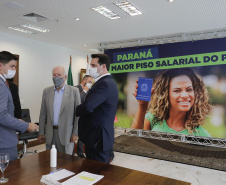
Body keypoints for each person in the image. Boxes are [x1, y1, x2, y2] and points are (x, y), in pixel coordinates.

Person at [131, 68, 211, 137]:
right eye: (177, 90)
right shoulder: (152, 119)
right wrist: (143, 105)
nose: (185, 95)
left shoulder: (202, 134)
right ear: (166, 95)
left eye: (189, 89)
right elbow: (133, 140)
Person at [76, 54, 118, 163]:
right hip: (96, 137)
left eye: (93, 65)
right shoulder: (104, 82)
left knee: (97, 172)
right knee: (93, 171)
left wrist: (76, 109)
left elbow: (89, 106)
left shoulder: (105, 83)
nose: (90, 68)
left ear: (103, 66)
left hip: (98, 138)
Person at [0, 51, 38, 161]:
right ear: (0, 66)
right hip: (4, 142)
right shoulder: (1, 85)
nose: (14, 70)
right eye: (11, 66)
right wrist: (25, 126)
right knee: (9, 176)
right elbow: (1, 115)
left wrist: (17, 120)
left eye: (15, 67)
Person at [38, 66, 81, 155]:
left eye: (59, 75)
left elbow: (78, 115)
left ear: (65, 77)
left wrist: (75, 133)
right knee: (50, 160)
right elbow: (43, 113)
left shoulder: (74, 91)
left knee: (66, 161)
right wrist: (41, 132)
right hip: (50, 133)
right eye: (54, 75)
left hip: (67, 134)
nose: (56, 77)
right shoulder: (46, 91)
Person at [75, 75, 93, 158]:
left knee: (83, 133)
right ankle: (73, 151)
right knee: (75, 133)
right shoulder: (75, 89)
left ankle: (80, 151)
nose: (90, 83)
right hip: (77, 114)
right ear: (84, 80)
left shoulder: (90, 90)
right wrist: (84, 91)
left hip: (86, 114)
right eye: (89, 81)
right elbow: (77, 101)